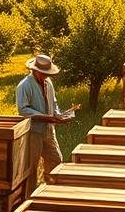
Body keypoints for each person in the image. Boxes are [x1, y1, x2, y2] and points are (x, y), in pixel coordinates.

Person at [16, 54, 78, 189]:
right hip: (33, 132)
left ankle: (50, 190)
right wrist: (46, 117)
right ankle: (29, 195)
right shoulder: (24, 85)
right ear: (35, 70)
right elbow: (23, 110)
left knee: (56, 160)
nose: (46, 76)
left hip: (49, 131)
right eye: (44, 73)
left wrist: (59, 116)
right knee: (31, 167)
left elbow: (53, 103)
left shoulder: (48, 83)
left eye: (47, 73)